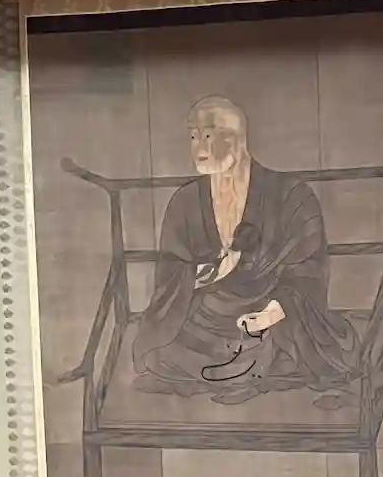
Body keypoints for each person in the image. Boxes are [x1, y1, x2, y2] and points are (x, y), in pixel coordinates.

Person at [132, 96, 359, 405]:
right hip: (209, 316)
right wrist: (209, 273)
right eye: (194, 137)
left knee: (281, 342)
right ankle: (239, 372)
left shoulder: (291, 196)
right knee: (162, 350)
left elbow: (307, 272)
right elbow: (171, 270)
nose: (199, 148)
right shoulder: (185, 201)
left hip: (269, 312)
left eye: (209, 136)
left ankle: (246, 370)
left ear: (237, 139)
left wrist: (269, 315)